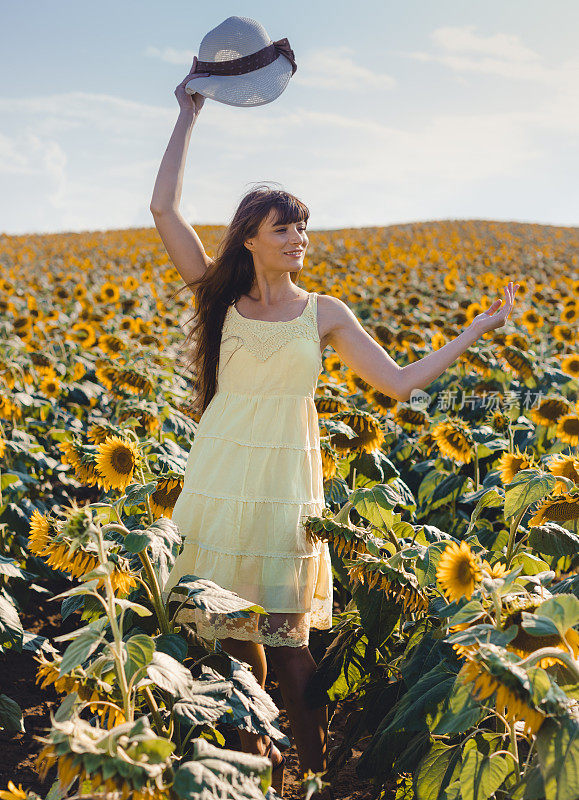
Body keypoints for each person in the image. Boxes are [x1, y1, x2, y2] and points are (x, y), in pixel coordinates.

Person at [150, 57, 520, 797]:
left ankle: (312, 775)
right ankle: (256, 774)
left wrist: (476, 329)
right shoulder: (219, 300)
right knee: (233, 644)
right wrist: (189, 114)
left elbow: (399, 382)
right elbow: (164, 210)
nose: (298, 239)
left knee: (291, 651)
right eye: (284, 228)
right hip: (221, 478)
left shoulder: (324, 313)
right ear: (249, 237)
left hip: (287, 482)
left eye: (303, 229)